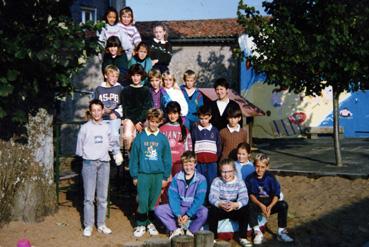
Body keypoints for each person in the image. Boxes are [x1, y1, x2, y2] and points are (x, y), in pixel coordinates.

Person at [129, 108, 172, 238]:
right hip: (143, 174)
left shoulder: (162, 139)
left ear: (160, 122)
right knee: (142, 201)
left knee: (154, 202)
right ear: (148, 121)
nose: (153, 124)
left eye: (156, 122)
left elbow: (167, 159)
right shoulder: (140, 138)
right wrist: (134, 175)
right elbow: (134, 158)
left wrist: (165, 176)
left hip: (157, 175)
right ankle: (141, 224)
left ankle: (151, 223)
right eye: (151, 121)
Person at [76, 99, 113, 237]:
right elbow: (80, 148)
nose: (97, 113)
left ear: (103, 111)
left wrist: (114, 153)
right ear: (90, 112)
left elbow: (111, 143)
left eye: (99, 110)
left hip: (104, 163)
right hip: (89, 164)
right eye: (94, 110)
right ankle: (88, 225)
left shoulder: (107, 127)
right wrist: (88, 156)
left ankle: (101, 224)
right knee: (89, 197)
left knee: (102, 197)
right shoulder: (85, 128)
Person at [155, 151, 208, 239]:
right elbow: (173, 197)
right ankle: (175, 230)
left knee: (204, 212)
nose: (188, 167)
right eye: (186, 165)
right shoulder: (177, 177)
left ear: (195, 164)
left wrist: (188, 215)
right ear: (182, 165)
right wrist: (178, 214)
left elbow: (199, 200)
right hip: (179, 207)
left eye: (191, 164)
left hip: (193, 208)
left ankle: (191, 231)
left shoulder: (201, 179)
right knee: (159, 210)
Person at [246, 153, 294, 245]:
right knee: (249, 206)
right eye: (257, 166)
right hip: (257, 203)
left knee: (283, 205)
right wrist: (261, 206)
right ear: (254, 165)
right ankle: (257, 232)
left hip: (269, 202)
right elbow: (251, 195)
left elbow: (276, 194)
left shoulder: (270, 177)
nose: (259, 169)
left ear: (267, 167)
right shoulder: (250, 178)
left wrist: (270, 207)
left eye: (262, 167)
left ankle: (281, 232)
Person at [208, 159, 251, 247]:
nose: (226, 175)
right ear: (220, 172)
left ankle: (243, 237)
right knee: (212, 210)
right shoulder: (217, 181)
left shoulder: (239, 182)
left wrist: (236, 205)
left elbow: (244, 197)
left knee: (246, 208)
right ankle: (213, 238)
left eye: (229, 171)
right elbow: (212, 197)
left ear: (234, 171)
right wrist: (219, 204)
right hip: (222, 207)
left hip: (234, 207)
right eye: (224, 172)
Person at [93, 65, 123, 166]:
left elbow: (124, 104)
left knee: (114, 133)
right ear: (106, 76)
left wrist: (116, 113)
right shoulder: (99, 89)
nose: (114, 79)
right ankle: (102, 156)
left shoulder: (119, 88)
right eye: (112, 76)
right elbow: (94, 103)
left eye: (116, 76)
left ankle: (116, 152)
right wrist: (99, 113)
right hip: (101, 118)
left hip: (114, 117)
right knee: (100, 136)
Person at [120, 64, 152, 155]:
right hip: (130, 118)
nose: (136, 78)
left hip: (143, 118)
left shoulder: (146, 90)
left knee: (147, 134)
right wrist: (135, 121)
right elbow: (125, 108)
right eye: (133, 75)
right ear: (130, 76)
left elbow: (147, 107)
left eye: (138, 75)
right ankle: (130, 157)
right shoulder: (125, 90)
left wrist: (139, 121)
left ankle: (146, 156)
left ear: (141, 76)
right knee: (128, 135)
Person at [190, 105, 221, 191]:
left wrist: (215, 157)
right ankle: (201, 202)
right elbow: (192, 144)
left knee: (212, 182)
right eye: (201, 118)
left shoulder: (215, 131)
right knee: (200, 183)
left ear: (210, 117)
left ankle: (211, 202)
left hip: (212, 163)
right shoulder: (195, 130)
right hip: (199, 162)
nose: (203, 121)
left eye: (206, 118)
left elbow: (218, 146)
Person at [160, 101, 192, 177]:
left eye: (175, 113)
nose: (172, 116)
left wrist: (188, 163)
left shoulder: (184, 129)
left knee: (179, 185)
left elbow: (189, 149)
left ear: (179, 113)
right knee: (165, 185)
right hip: (165, 164)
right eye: (170, 113)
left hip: (180, 163)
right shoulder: (162, 129)